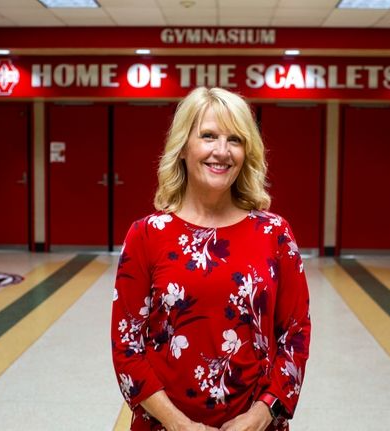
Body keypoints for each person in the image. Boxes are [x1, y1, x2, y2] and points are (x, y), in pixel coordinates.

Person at [111, 87, 311, 431]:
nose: (222, 151)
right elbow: (126, 344)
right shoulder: (147, 234)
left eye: (235, 139)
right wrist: (178, 423)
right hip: (164, 426)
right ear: (184, 146)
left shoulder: (274, 233)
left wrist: (262, 414)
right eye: (208, 136)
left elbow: (295, 332)